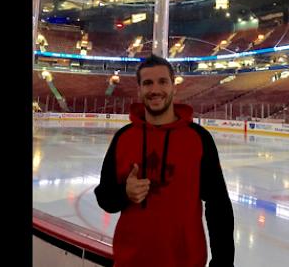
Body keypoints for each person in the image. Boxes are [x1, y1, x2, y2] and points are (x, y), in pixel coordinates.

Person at [94, 54, 234, 267]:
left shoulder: (198, 138)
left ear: (173, 86)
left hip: (187, 262)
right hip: (130, 261)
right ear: (139, 90)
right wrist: (125, 193)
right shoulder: (123, 138)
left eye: (162, 81)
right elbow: (105, 198)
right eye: (147, 83)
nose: (155, 90)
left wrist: (223, 263)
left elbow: (218, 206)